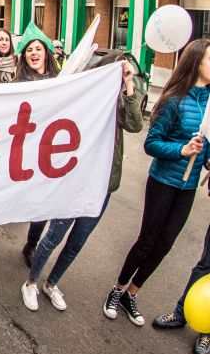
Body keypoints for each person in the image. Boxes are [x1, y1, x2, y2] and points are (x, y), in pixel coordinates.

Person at [21, 53, 143, 313]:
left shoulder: (118, 104)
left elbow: (135, 124)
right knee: (54, 235)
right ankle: (31, 282)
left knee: (77, 241)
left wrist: (129, 85)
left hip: (103, 186)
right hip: (75, 181)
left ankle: (52, 284)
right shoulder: (84, 102)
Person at [105, 38, 210, 329]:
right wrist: (181, 151)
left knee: (165, 244)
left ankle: (132, 293)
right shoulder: (174, 99)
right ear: (195, 63)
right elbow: (152, 144)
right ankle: (117, 289)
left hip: (187, 188)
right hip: (164, 180)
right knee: (147, 241)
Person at [0, 25, 57, 265]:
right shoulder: (17, 83)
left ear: (46, 53)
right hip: (19, 151)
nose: (33, 53)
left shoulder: (61, 83)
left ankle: (31, 245)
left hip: (46, 153)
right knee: (6, 200)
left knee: (42, 205)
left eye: (38, 49)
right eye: (29, 49)